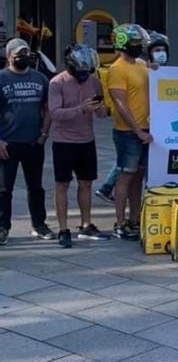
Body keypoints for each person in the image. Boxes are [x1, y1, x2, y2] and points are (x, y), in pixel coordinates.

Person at [49, 44, 111, 248]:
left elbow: (101, 111)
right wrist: (80, 109)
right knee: (62, 185)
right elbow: (55, 113)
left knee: (86, 183)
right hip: (63, 141)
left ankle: (86, 224)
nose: (85, 75)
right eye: (81, 71)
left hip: (87, 140)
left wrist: (102, 110)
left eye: (88, 71)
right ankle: (63, 228)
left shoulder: (94, 82)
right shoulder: (57, 83)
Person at [0, 38, 53, 244]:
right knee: (4, 189)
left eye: (26, 53)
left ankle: (39, 224)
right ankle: (3, 227)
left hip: (33, 142)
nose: (23, 57)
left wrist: (44, 133)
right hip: (7, 143)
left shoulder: (40, 79)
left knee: (36, 187)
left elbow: (48, 107)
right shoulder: (2, 78)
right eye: (19, 54)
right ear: (9, 56)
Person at [108, 24, 153, 240]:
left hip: (147, 128)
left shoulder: (142, 64)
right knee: (125, 176)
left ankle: (135, 218)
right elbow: (120, 104)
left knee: (139, 177)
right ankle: (119, 222)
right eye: (134, 44)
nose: (138, 47)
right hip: (127, 132)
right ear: (123, 44)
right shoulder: (117, 69)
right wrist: (137, 131)